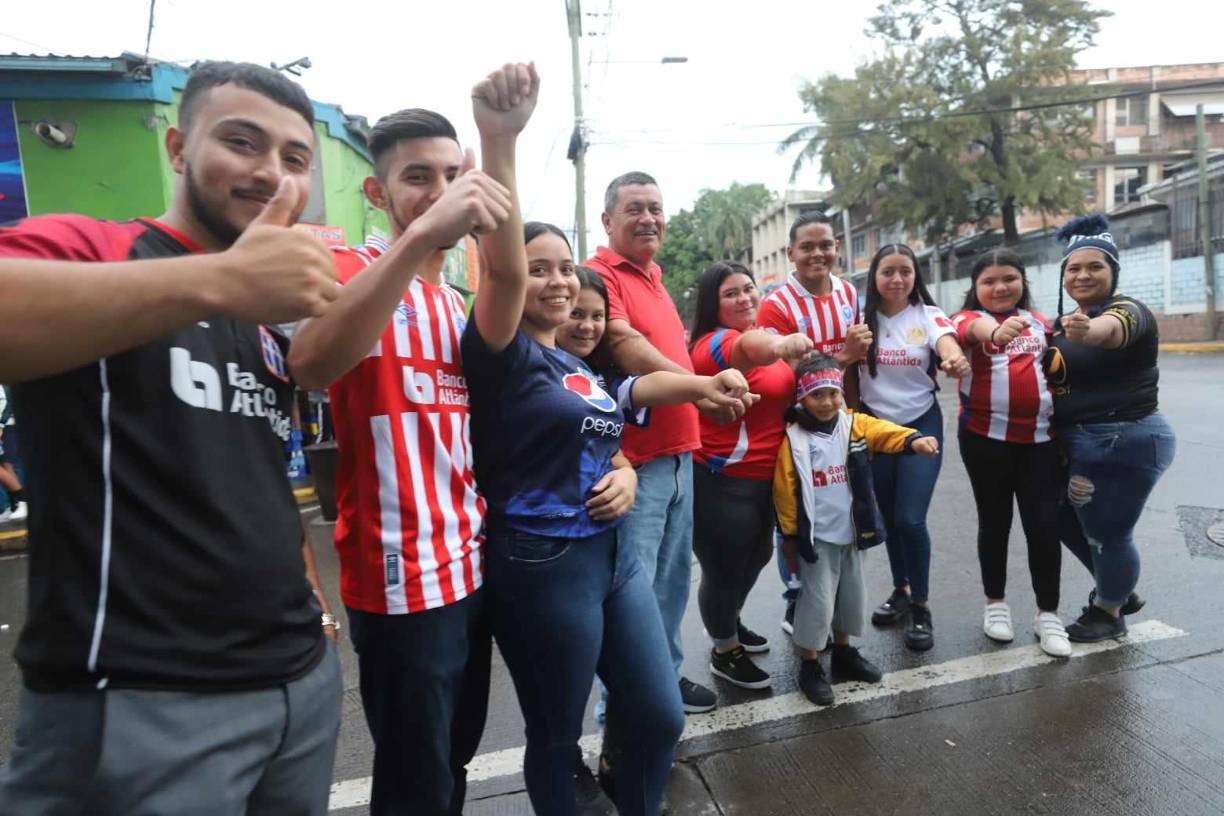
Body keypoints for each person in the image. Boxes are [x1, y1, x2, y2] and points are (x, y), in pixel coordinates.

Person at [0, 61, 343, 815]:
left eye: (294, 158)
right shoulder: (100, 249)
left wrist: (314, 621)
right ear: (178, 148)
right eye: (242, 143)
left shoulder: (262, 313)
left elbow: (250, 479)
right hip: (142, 704)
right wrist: (218, 280)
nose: (270, 174)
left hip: (299, 686)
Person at [287, 65, 532, 815]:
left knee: (453, 757)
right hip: (399, 584)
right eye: (418, 177)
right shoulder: (349, 270)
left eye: (453, 175)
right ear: (377, 193)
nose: (442, 191)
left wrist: (499, 143)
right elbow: (313, 362)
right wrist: (426, 231)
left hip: (470, 567)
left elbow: (512, 280)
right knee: (414, 777)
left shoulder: (454, 303)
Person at [465, 220, 752, 816]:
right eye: (536, 268)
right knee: (556, 739)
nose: (557, 281)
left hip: (614, 559)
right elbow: (499, 270)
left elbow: (634, 397)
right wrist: (501, 144)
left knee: (657, 716)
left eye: (564, 267)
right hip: (546, 564)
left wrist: (697, 391)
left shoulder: (580, 368)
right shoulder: (501, 354)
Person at [584, 172, 725, 718]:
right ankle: (620, 712)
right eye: (635, 209)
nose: (649, 219)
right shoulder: (601, 274)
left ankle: (661, 681)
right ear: (608, 221)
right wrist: (698, 388)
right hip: (634, 464)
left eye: (656, 209)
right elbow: (623, 342)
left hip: (678, 454)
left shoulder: (654, 276)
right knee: (631, 595)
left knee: (670, 585)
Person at [774, 355, 939, 706]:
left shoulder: (852, 424)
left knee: (851, 597)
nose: (828, 402)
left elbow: (884, 432)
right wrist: (790, 536)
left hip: (852, 533)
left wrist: (913, 440)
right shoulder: (795, 439)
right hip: (817, 539)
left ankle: (844, 653)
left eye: (834, 393)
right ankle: (810, 664)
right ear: (801, 398)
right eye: (817, 395)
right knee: (817, 602)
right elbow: (785, 491)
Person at [1047, 215, 1175, 642]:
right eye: (1073, 268)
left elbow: (1112, 332)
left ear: (1113, 271)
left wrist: (1089, 330)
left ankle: (1109, 611)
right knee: (1060, 517)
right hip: (1084, 443)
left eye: (1094, 267)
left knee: (1109, 535)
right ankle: (1117, 587)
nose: (1083, 275)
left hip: (1124, 440)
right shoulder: (1062, 323)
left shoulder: (1127, 311)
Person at [688, 261, 812, 690]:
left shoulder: (758, 338)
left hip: (766, 480)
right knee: (724, 569)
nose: (744, 298)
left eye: (748, 288)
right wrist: (784, 343)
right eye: (731, 293)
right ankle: (724, 649)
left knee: (757, 556)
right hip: (723, 480)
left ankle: (728, 624)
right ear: (713, 304)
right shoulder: (715, 344)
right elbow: (755, 349)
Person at [756, 210, 873, 633]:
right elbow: (786, 375)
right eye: (807, 246)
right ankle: (795, 598)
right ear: (791, 253)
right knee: (796, 512)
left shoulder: (847, 292)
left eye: (825, 244)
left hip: (839, 423)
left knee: (838, 508)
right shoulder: (776, 304)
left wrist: (856, 414)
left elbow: (854, 368)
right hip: (797, 427)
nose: (817, 253)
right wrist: (844, 356)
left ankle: (837, 608)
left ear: (837, 247)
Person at [951, 250, 1071, 658]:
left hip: (1041, 441)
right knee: (995, 521)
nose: (1000, 287)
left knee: (1043, 526)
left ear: (1023, 281)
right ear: (975, 288)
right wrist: (997, 334)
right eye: (989, 281)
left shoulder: (1042, 323)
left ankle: (1048, 614)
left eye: (1009, 278)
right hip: (985, 440)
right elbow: (975, 329)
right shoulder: (963, 320)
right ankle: (995, 604)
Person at [858, 245, 970, 652]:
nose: (897, 279)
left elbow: (948, 344)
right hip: (875, 429)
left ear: (915, 276)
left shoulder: (927, 314)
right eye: (888, 271)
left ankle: (921, 605)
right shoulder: (860, 318)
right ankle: (901, 589)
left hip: (921, 423)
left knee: (910, 517)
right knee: (888, 517)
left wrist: (954, 359)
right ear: (875, 276)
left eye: (905, 271)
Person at [0, 384, 27, 523]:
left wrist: (0, 424)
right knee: (6, 466)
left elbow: (3, 400)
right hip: (6, 425)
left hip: (6, 426)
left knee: (5, 467)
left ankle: (22, 502)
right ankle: (13, 506)